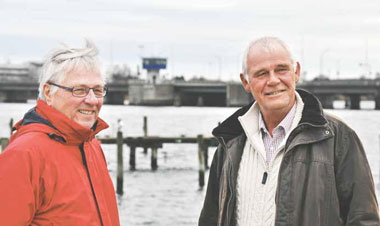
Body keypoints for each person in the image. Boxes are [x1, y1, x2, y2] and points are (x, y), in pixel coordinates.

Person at [199, 37, 379, 226]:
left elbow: (364, 219)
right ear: (246, 82)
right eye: (261, 74)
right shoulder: (230, 142)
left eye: (281, 69)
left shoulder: (338, 138)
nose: (273, 80)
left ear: (296, 72)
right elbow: (210, 219)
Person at [0, 40, 120, 225]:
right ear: (48, 92)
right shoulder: (23, 155)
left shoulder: (91, 145)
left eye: (97, 90)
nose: (92, 100)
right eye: (79, 90)